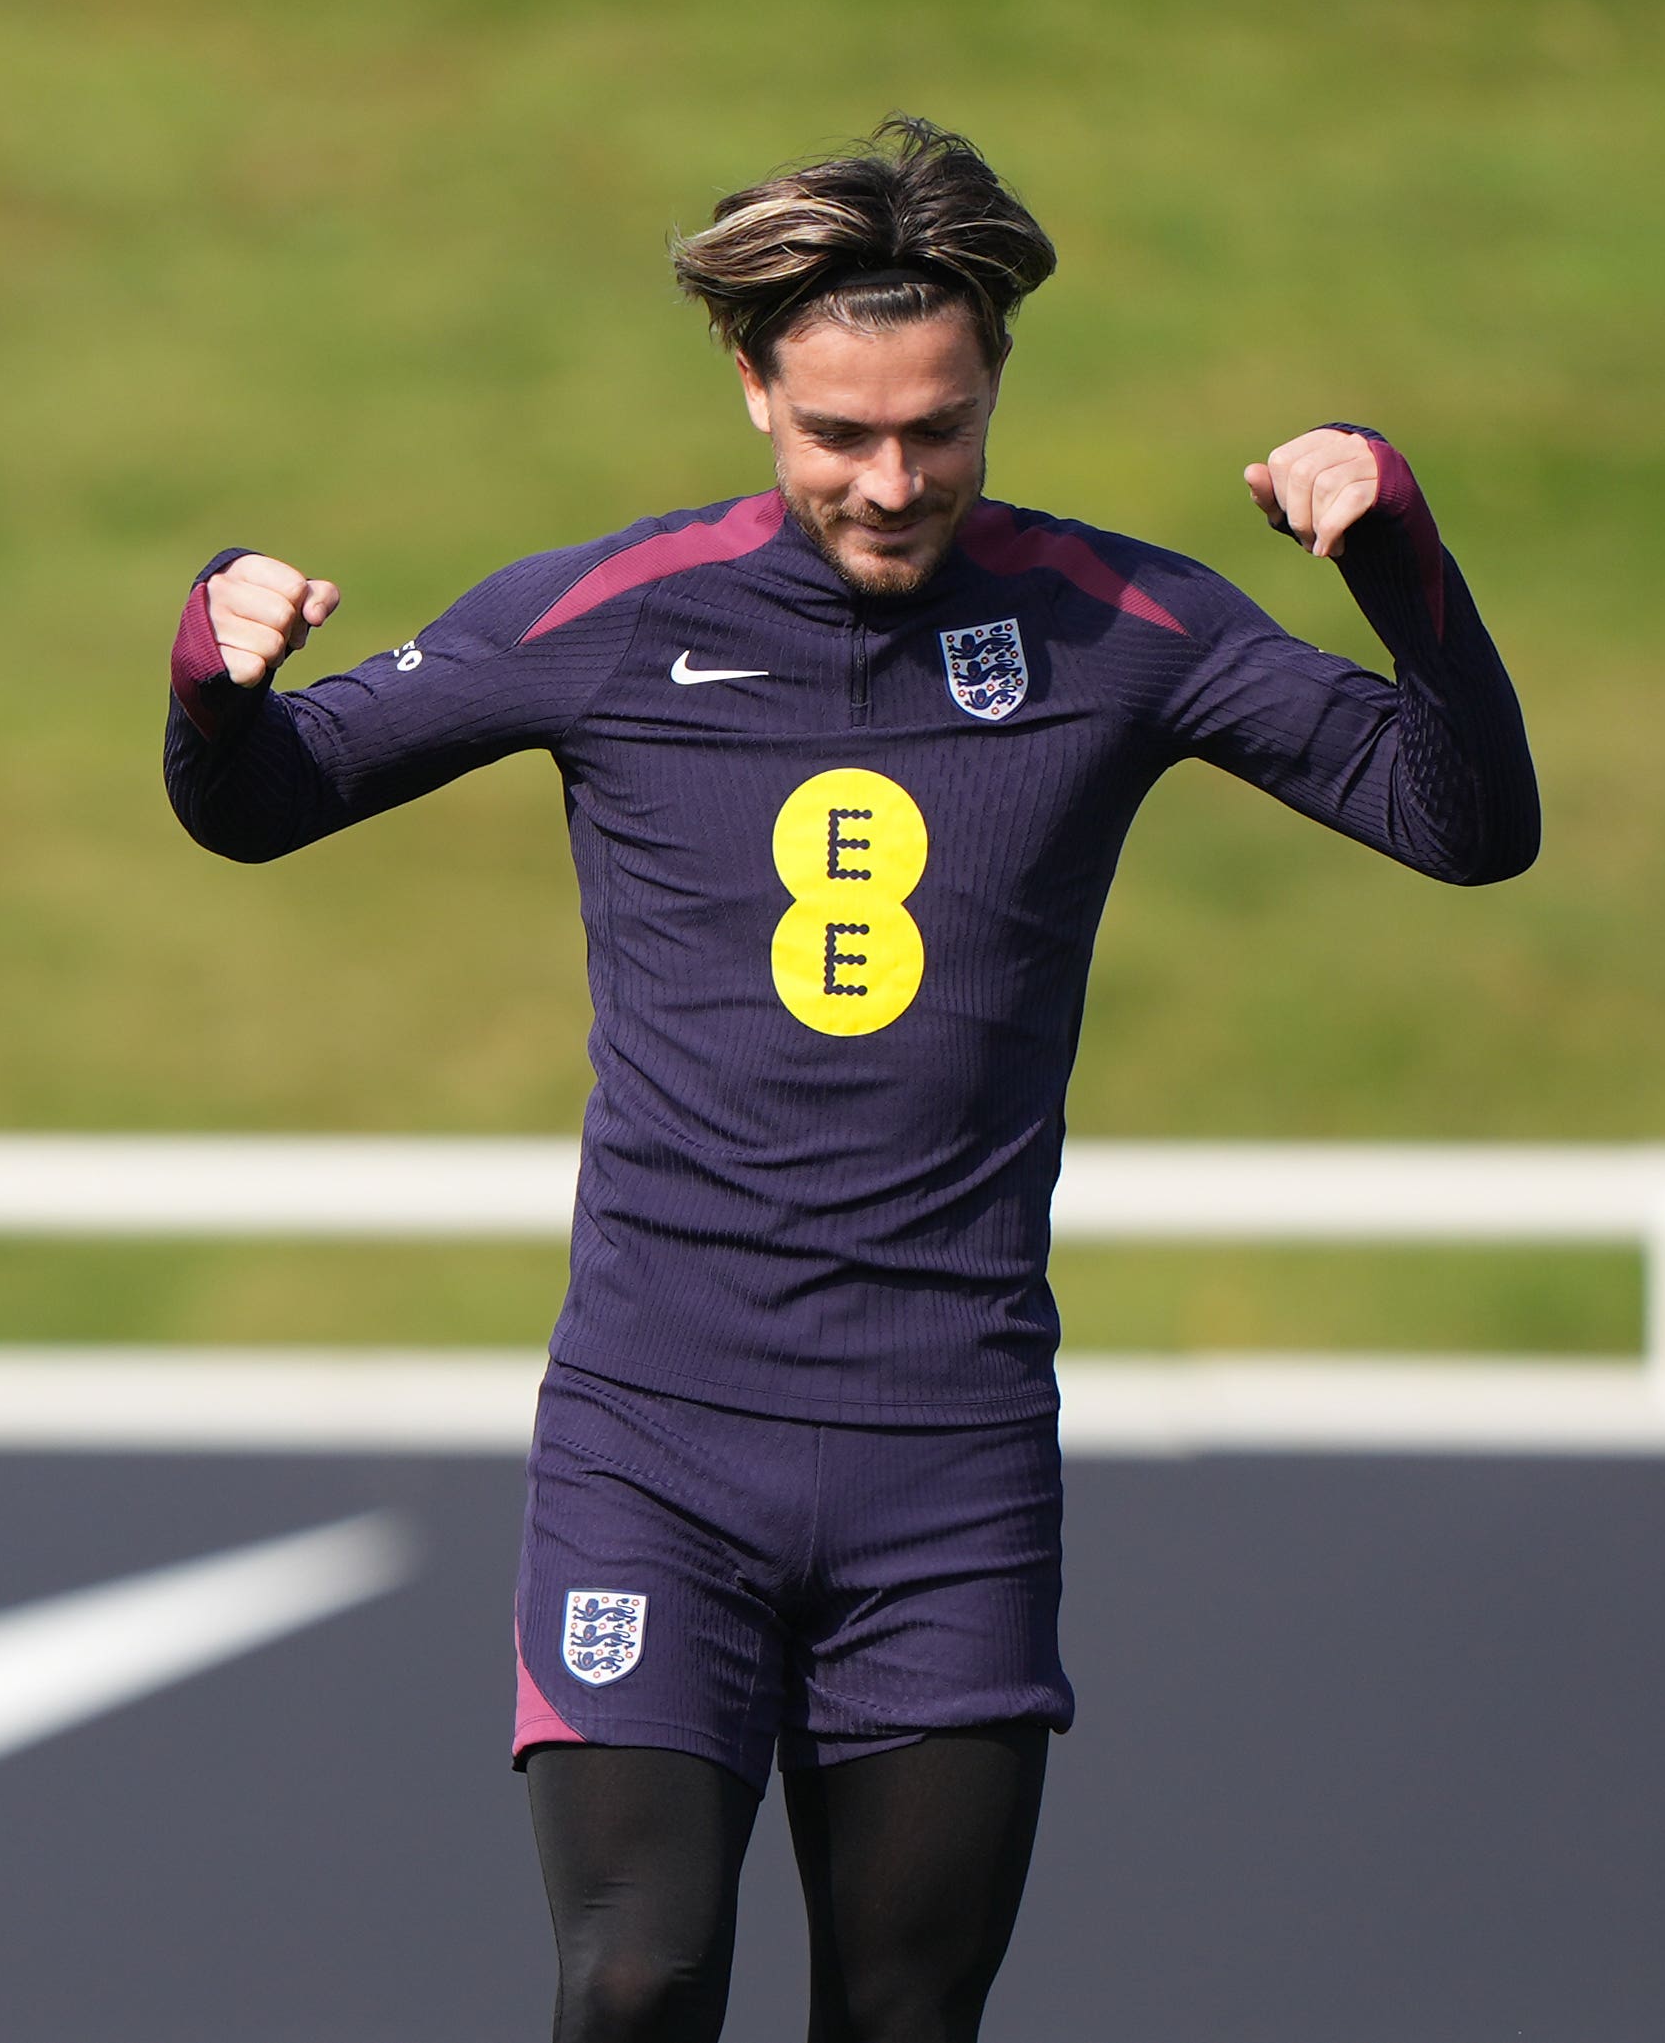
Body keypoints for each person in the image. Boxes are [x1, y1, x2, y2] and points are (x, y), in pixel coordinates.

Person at [160, 118, 1535, 2041]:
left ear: (990, 390)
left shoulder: (1119, 625)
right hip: (656, 1441)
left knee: (904, 2020)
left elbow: (1464, 824)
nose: (892, 483)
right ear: (749, 388)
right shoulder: (607, 614)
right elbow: (255, 806)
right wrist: (212, 661)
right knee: (635, 1978)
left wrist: (1392, 551)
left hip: (945, 1463)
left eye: (938, 430)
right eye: (838, 436)